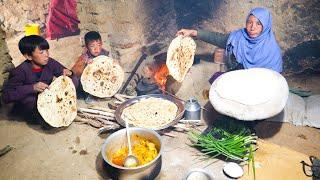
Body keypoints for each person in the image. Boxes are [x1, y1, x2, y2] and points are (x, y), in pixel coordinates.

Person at [1, 35, 78, 127]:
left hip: (47, 97)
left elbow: (63, 72)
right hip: (31, 103)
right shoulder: (20, 71)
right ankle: (37, 118)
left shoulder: (50, 63)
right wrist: (32, 88)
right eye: (41, 52)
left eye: (47, 50)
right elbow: (6, 96)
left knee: (74, 81)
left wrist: (70, 73)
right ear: (29, 56)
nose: (46, 55)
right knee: (30, 100)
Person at [176, 7, 283, 74]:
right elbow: (217, 38)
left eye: (258, 23)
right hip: (235, 81)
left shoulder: (272, 50)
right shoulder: (238, 37)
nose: (252, 27)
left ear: (266, 26)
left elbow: (274, 80)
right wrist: (193, 32)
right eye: (249, 22)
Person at [71, 31, 109, 103]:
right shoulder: (85, 57)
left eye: (99, 45)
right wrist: (85, 63)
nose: (96, 48)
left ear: (102, 44)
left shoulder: (104, 54)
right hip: (88, 82)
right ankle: (87, 96)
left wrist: (113, 63)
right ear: (87, 47)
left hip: (100, 78)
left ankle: (102, 94)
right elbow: (75, 72)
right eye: (92, 46)